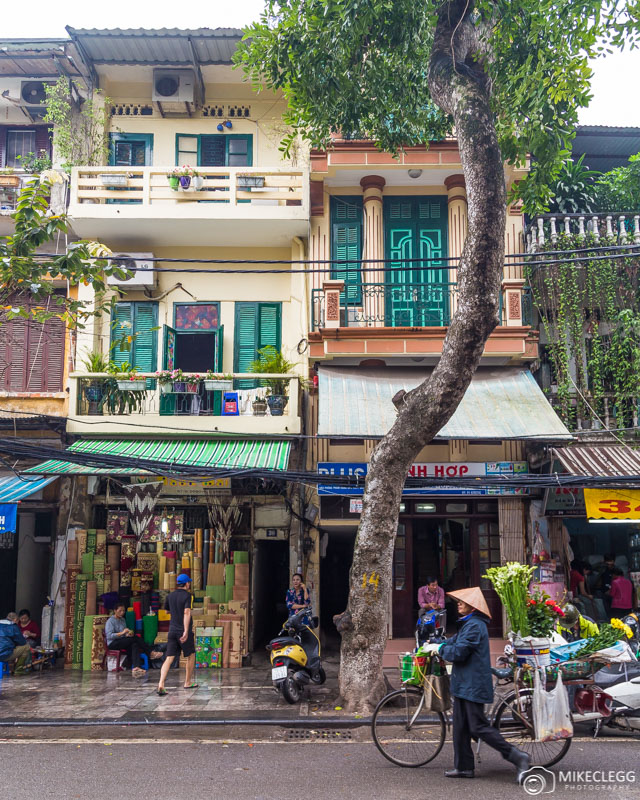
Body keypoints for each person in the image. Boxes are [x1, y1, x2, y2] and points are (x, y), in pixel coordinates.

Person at [435, 587, 531, 783]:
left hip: (473, 684)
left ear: (473, 607)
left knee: (478, 727)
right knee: (461, 726)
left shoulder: (475, 626)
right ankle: (464, 767)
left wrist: (441, 649)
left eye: (463, 602)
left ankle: (517, 756)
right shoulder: (467, 624)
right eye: (459, 602)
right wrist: (438, 644)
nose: (459, 604)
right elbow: (453, 642)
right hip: (464, 684)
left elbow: (459, 652)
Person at [157, 573, 196, 695]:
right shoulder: (188, 596)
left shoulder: (170, 596)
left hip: (172, 630)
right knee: (190, 655)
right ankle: (187, 682)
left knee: (169, 658)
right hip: (183, 631)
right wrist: (185, 631)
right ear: (186, 584)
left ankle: (161, 684)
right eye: (189, 582)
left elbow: (167, 610)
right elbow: (186, 612)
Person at [105, 602, 162, 678]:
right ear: (115, 611)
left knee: (134, 644)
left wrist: (127, 634)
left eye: (123, 611)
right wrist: (122, 633)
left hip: (121, 641)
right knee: (135, 638)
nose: (122, 612)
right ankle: (150, 652)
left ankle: (136, 668)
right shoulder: (110, 621)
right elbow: (109, 636)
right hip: (113, 643)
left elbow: (124, 634)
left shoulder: (123, 620)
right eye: (120, 611)